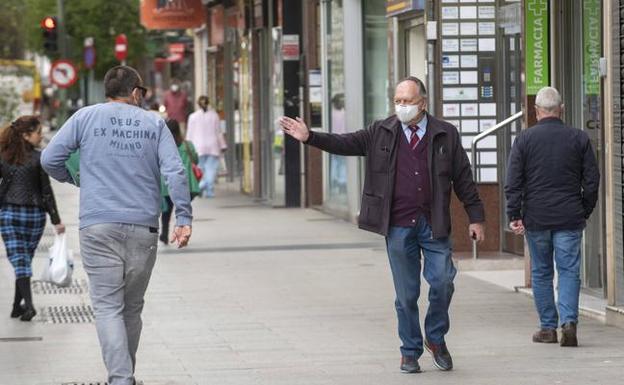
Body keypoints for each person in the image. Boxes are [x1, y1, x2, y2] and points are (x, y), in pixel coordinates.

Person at [279, 76, 485, 374]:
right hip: (399, 225)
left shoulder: (445, 134)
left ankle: (436, 338)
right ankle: (410, 350)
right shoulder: (381, 131)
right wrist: (311, 136)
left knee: (443, 282)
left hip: (433, 223)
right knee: (406, 295)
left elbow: (463, 177)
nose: (402, 107)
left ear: (423, 103)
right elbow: (346, 142)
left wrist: (476, 217)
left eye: (408, 101)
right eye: (398, 101)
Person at [41, 65, 193, 385]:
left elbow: (49, 159)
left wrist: (75, 178)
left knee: (108, 307)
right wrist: (183, 217)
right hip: (143, 227)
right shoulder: (154, 122)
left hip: (97, 225)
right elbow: (176, 171)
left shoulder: (85, 117)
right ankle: (124, 376)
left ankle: (121, 378)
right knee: (132, 308)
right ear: (136, 93)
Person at [505, 86, 600, 347]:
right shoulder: (579, 138)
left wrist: (514, 213)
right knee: (569, 271)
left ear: (536, 111)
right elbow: (592, 181)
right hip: (570, 216)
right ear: (562, 109)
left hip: (536, 217)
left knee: (542, 272)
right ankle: (569, 322)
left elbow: (513, 181)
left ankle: (548, 327)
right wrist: (584, 209)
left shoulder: (524, 140)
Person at [0, 116, 65, 322]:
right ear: (26, 135)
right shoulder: (39, 158)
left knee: (21, 260)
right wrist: (56, 219)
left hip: (9, 213)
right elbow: (46, 191)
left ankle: (24, 305)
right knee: (24, 259)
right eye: (38, 132)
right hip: (36, 216)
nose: (41, 136)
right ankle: (21, 306)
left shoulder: (3, 157)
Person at [160, 118, 200, 244]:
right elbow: (195, 160)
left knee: (166, 212)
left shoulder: (162, 146)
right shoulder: (187, 145)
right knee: (183, 208)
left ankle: (164, 234)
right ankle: (183, 231)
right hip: (188, 186)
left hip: (167, 185)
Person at [185, 95, 226, 198]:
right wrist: (223, 145)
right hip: (213, 147)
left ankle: (201, 186)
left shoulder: (192, 117)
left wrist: (187, 147)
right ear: (209, 103)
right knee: (211, 170)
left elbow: (189, 134)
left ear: (198, 104)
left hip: (198, 147)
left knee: (201, 170)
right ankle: (208, 190)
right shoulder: (215, 116)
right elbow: (219, 132)